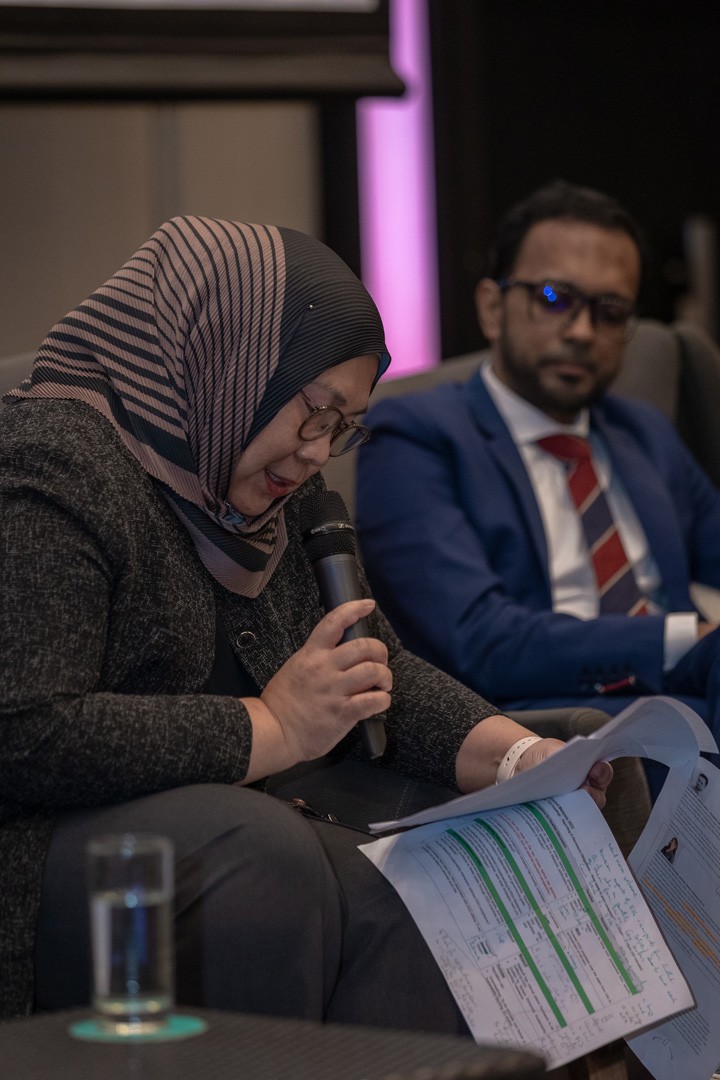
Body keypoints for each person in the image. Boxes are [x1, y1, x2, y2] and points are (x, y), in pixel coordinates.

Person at [0, 216, 611, 1027]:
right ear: (230, 364)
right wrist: (272, 726)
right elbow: (26, 732)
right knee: (270, 854)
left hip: (230, 812)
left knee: (515, 819)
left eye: (342, 428)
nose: (320, 452)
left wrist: (519, 758)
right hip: (47, 849)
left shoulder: (259, 493)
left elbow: (370, 664)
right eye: (314, 412)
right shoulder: (51, 462)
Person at [355, 180, 720, 782]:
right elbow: (479, 641)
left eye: (611, 311)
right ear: (492, 307)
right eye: (554, 297)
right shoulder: (414, 434)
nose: (582, 331)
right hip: (536, 722)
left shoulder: (643, 432)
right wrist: (684, 639)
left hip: (687, 693)